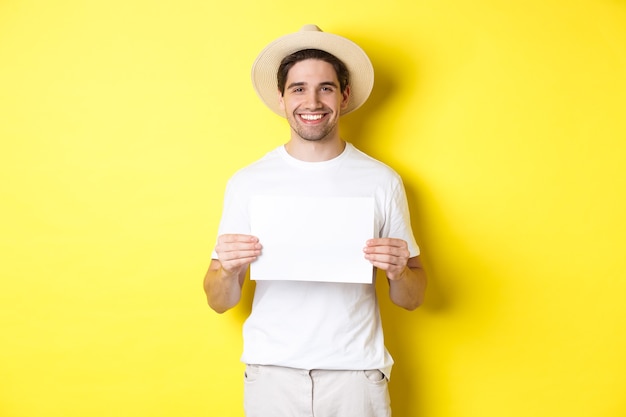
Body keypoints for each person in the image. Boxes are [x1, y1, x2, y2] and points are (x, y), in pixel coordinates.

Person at [203, 24, 427, 417]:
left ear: (344, 95)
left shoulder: (381, 180)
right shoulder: (248, 182)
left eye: (325, 87)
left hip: (356, 374)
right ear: (282, 98)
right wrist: (226, 271)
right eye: (298, 88)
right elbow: (220, 301)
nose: (313, 100)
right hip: (272, 375)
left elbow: (412, 298)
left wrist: (398, 272)